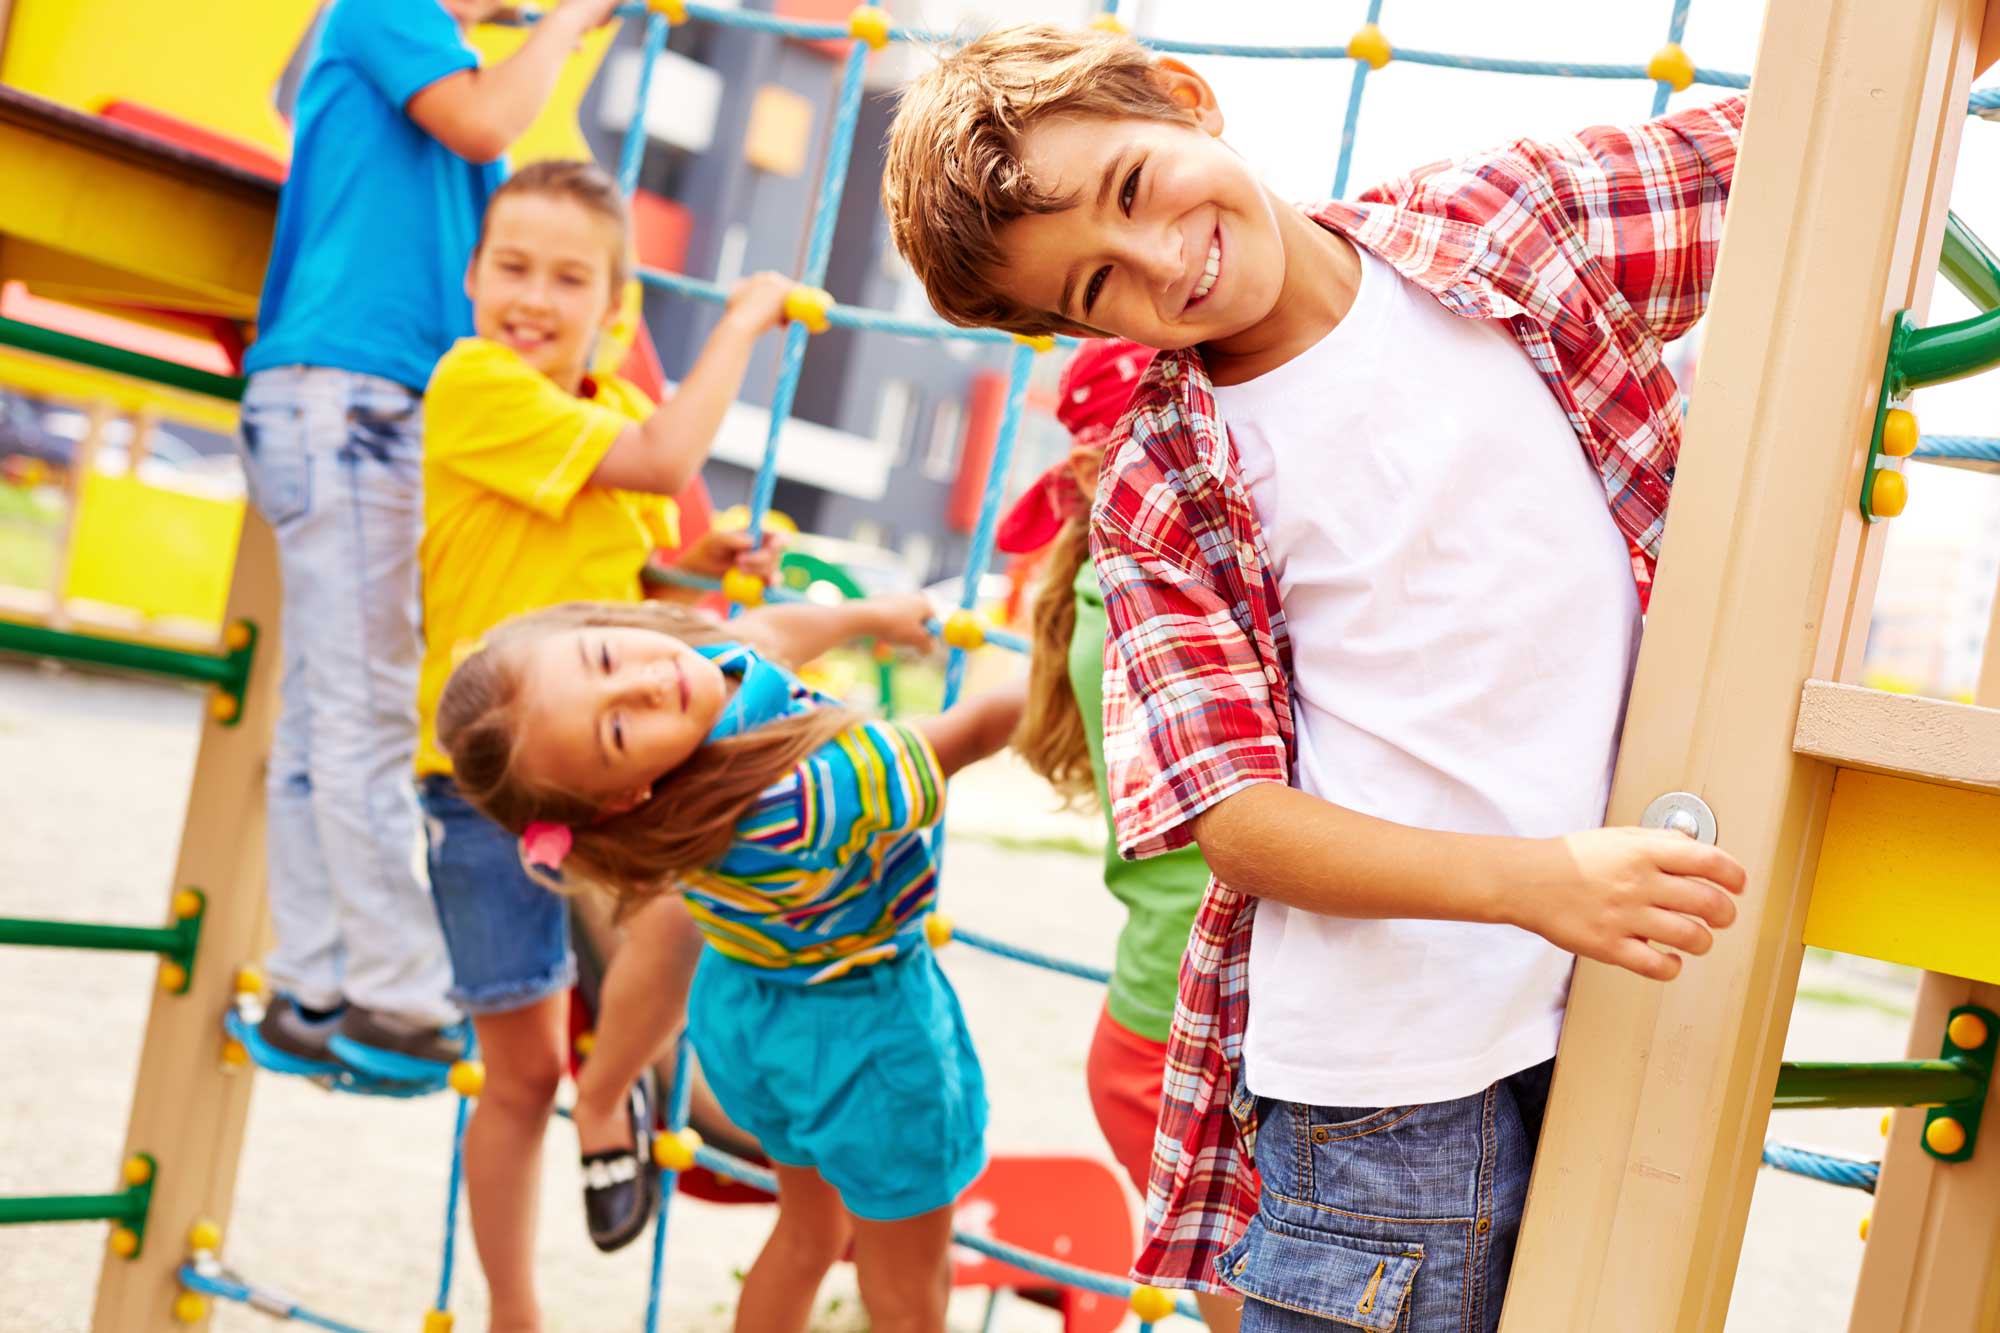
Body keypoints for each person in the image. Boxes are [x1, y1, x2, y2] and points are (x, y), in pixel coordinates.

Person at [884, 25, 1751, 1330]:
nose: (1162, 262)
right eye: (1097, 289)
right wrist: (1539, 884)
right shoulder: (1165, 485)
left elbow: (1793, 156)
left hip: (1608, 1004)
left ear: (1184, 99)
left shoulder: (1501, 231)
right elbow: (1229, 818)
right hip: (1386, 1078)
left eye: (1134, 188)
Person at [414, 156, 853, 1329]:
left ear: (611, 307)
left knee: (693, 898)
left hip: (608, 777)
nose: (534, 298)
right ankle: (513, 1305)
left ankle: (625, 1094)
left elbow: (622, 569)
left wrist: (692, 568)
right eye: (513, 266)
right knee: (513, 1071)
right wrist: (746, 320)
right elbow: (664, 463)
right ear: (472, 277)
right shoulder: (473, 385)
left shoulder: (604, 411)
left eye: (570, 278)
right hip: (489, 793)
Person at [435, 599, 1023, 1333]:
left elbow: (760, 636)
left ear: (597, 623)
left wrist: (870, 615)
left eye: (608, 657)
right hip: (865, 1037)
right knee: (912, 1292)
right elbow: (975, 729)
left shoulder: (684, 740)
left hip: (755, 1012)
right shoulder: (805, 795)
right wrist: (1093, 662)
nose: (646, 685)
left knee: (810, 1233)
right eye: (617, 729)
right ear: (625, 794)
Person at [235, 0, 622, 1080]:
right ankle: (398, 996)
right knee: (361, 711)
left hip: (330, 401)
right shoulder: (384, 10)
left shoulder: (399, 46)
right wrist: (565, 22)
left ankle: (311, 983)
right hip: (354, 398)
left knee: (322, 714)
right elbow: (491, 125)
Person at [1005, 338, 1240, 1333]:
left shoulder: (1136, 575)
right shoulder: (1131, 595)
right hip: (1166, 1045)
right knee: (1269, 1304)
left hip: (1183, 1024)